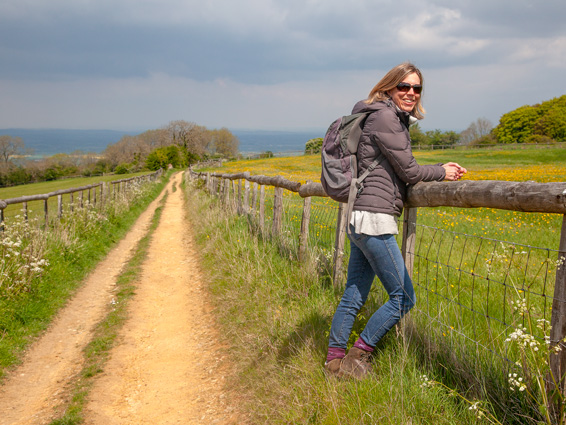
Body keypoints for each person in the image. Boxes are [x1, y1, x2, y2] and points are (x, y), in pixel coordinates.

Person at [324, 62, 466, 379]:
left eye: (417, 88)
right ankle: (357, 357)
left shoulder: (378, 115)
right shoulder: (386, 117)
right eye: (404, 86)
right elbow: (410, 171)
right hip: (375, 218)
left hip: (360, 215)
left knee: (354, 294)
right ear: (389, 87)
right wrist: (442, 171)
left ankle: (334, 362)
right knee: (403, 297)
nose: (411, 93)